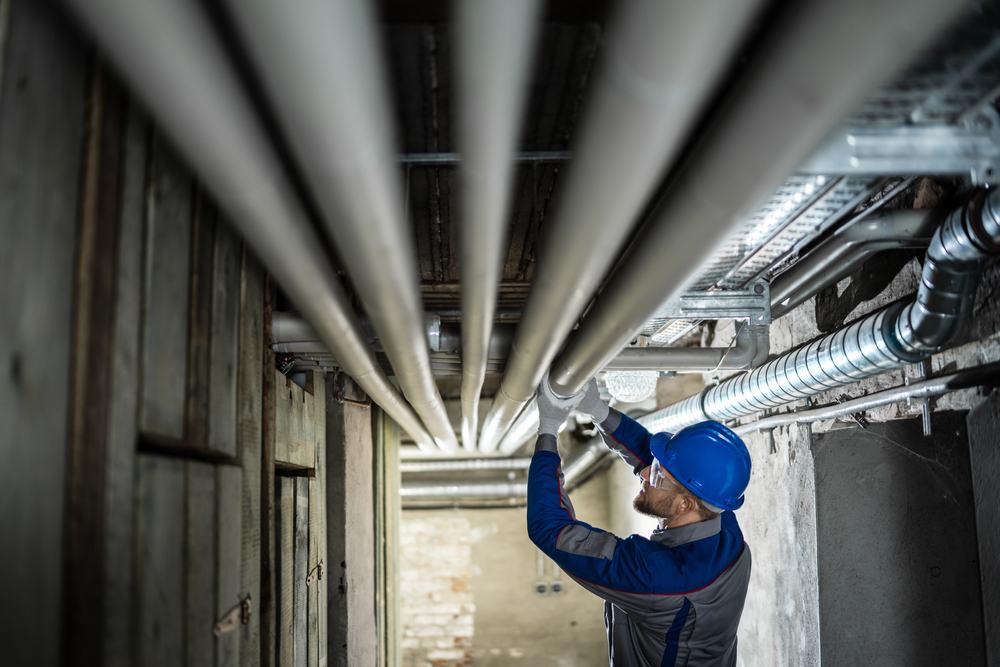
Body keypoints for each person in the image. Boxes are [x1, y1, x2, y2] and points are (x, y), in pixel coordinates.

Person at [527, 375, 752, 667]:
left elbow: (550, 529)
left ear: (685, 504)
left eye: (657, 476)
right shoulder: (724, 530)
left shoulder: (659, 578)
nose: (646, 474)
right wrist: (598, 409)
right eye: (656, 469)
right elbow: (655, 461)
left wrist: (547, 428)